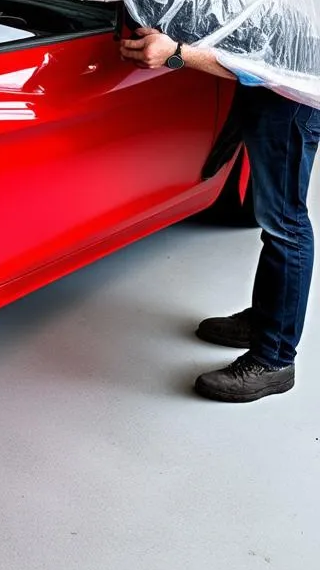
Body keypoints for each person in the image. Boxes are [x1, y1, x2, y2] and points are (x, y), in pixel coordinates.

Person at [121, 27, 320, 402]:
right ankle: (266, 323)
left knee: (285, 224)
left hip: (291, 99)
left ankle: (274, 359)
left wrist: (177, 53)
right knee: (274, 219)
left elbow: (267, 65)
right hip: (274, 92)